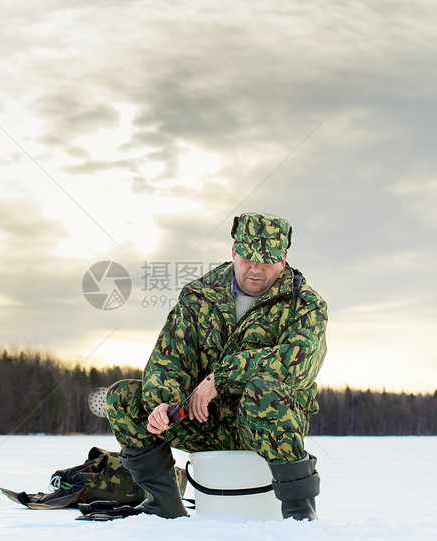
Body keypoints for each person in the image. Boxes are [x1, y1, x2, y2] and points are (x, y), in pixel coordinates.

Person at [102, 212, 327, 521]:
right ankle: (162, 506)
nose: (256, 269)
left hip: (267, 426)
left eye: (267, 261)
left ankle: (300, 513)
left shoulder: (305, 304)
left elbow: (296, 363)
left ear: (284, 259)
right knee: (123, 398)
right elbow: (169, 358)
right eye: (248, 258)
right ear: (234, 252)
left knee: (264, 391)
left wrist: (219, 379)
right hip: (204, 421)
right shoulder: (200, 296)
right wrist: (162, 403)